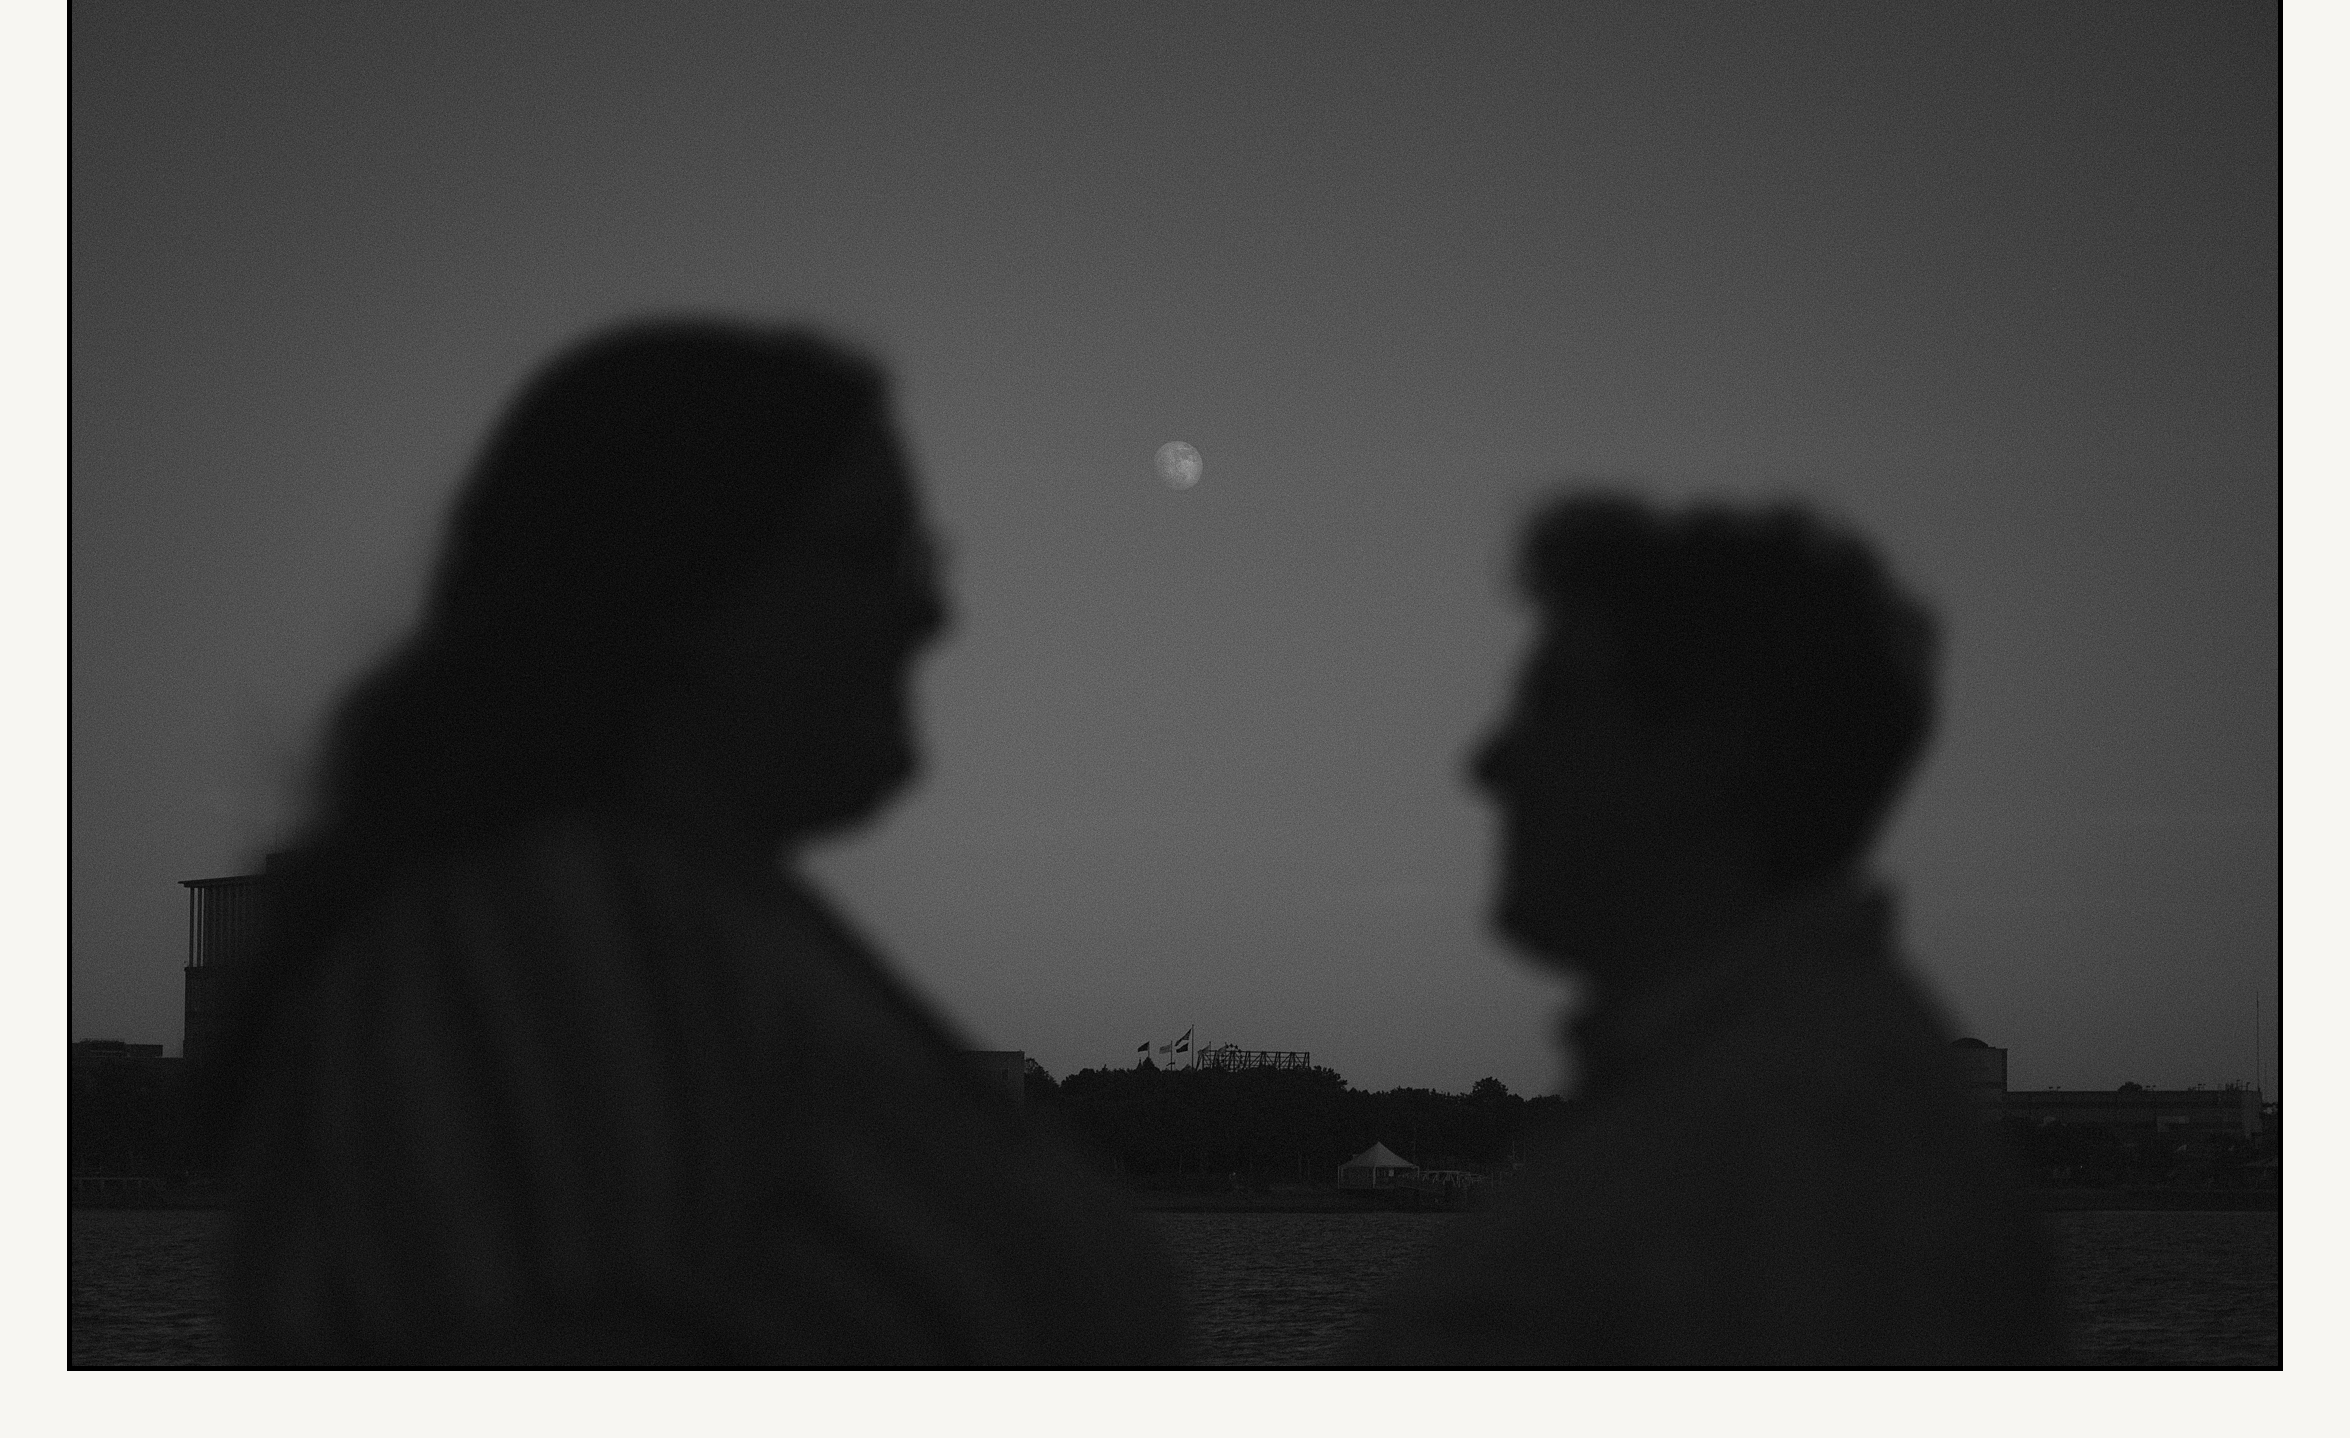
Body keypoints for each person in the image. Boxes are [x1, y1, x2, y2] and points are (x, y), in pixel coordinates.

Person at [218, 319, 1182, 1366]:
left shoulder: (698, 930)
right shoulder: (544, 943)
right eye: (869, 549)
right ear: (672, 585)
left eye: (922, 553)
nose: (927, 610)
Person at [1356, 494, 2063, 1367]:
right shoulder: (1769, 1106)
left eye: (1557, 707)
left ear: (1703, 756)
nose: (1489, 766)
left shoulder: (1793, 1160)